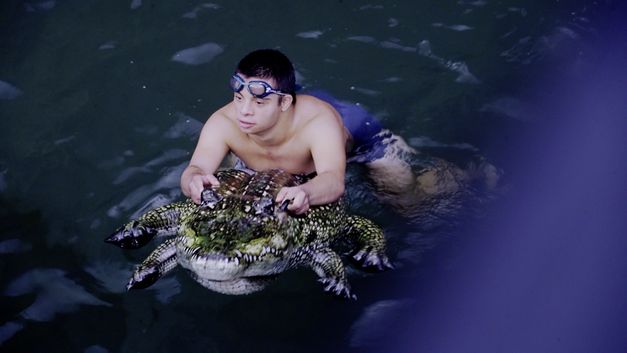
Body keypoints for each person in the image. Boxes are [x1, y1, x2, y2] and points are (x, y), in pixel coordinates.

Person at [181, 49, 349, 214]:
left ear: (284, 102)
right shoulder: (223, 122)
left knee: (375, 182)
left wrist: (306, 192)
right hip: (260, 162)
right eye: (239, 98)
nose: (244, 111)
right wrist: (193, 181)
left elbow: (333, 179)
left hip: (357, 134)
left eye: (259, 103)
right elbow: (196, 168)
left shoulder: (317, 124)